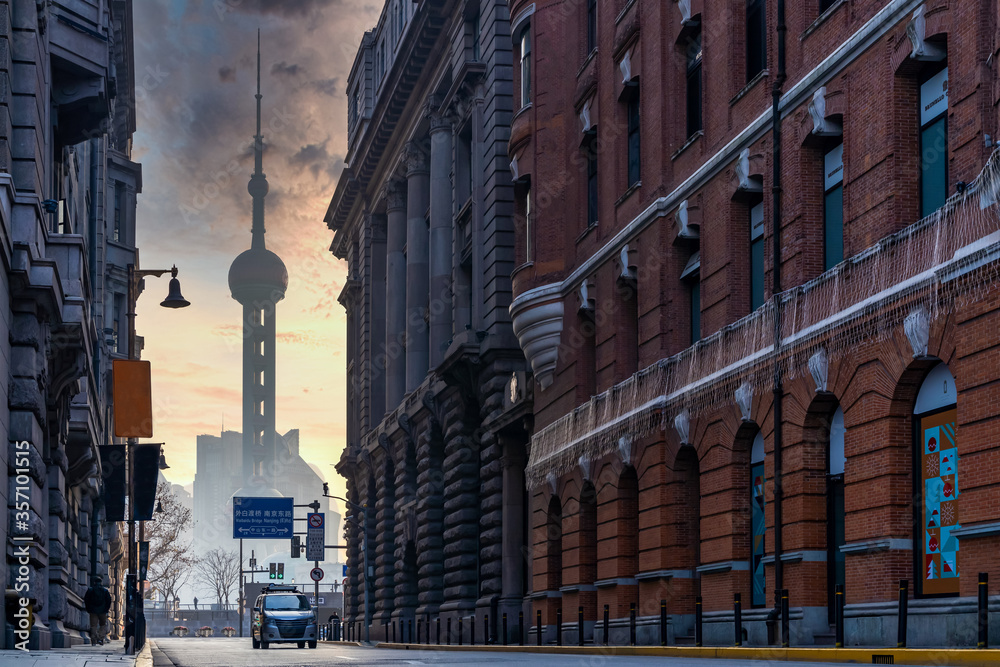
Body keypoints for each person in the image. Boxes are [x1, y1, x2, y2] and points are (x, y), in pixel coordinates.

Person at [84, 577, 112, 646]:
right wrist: (106, 609)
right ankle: (100, 638)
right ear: (101, 583)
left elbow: (86, 600)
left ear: (94, 583)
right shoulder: (105, 591)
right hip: (102, 611)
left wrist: (88, 608)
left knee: (93, 625)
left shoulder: (90, 590)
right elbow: (109, 601)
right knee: (103, 625)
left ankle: (93, 640)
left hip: (93, 611)